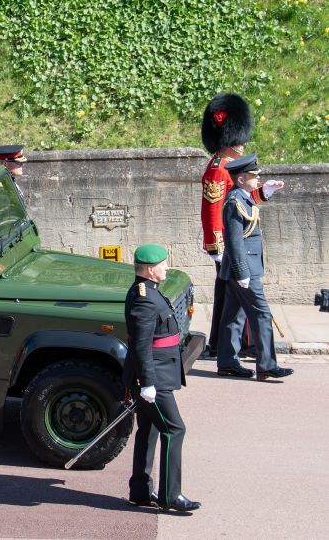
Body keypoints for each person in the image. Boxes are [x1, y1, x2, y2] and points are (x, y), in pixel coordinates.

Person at [199, 93, 282, 359]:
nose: (243, 143)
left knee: (232, 297)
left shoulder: (231, 166)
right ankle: (232, 345)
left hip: (238, 242)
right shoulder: (218, 168)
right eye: (238, 138)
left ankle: (227, 344)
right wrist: (217, 247)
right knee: (237, 296)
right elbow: (212, 209)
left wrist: (264, 193)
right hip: (229, 244)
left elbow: (242, 201)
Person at [123, 244, 200, 512]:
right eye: (163, 265)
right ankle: (170, 495)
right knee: (174, 429)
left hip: (156, 375)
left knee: (150, 429)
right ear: (150, 269)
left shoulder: (148, 292)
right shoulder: (144, 298)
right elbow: (142, 346)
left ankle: (141, 491)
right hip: (154, 379)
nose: (166, 268)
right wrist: (147, 384)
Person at [216, 155, 294, 381]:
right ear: (241, 179)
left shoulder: (241, 196)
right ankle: (267, 365)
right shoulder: (234, 201)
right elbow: (234, 241)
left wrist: (267, 191)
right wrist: (242, 272)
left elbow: (251, 205)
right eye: (254, 176)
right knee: (261, 315)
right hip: (244, 271)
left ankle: (228, 362)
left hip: (244, 269)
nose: (258, 178)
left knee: (233, 316)